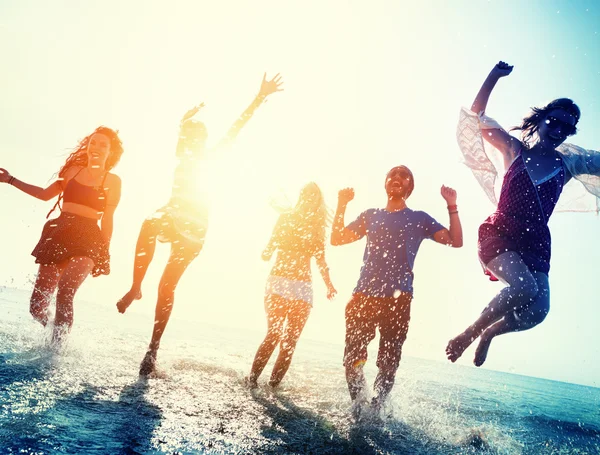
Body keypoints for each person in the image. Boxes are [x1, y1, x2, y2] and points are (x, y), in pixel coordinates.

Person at [116, 73, 284, 376]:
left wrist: (259, 98)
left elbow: (236, 127)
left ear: (203, 142)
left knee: (167, 286)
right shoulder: (182, 154)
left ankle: (152, 350)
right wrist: (184, 120)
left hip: (193, 231)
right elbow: (183, 135)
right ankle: (136, 287)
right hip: (172, 218)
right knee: (148, 223)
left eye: (196, 139)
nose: (190, 143)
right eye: (188, 139)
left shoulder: (210, 157)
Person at [447, 61, 600, 367]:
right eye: (553, 122)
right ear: (541, 119)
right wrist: (493, 77)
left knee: (538, 310)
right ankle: (468, 334)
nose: (558, 131)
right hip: (501, 231)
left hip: (536, 241)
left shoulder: (567, 164)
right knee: (524, 288)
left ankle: (490, 333)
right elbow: (475, 118)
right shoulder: (513, 149)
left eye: (566, 128)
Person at [331, 166, 462, 414]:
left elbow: (455, 241)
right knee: (352, 360)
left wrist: (452, 206)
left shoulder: (419, 219)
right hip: (364, 297)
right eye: (392, 175)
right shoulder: (370, 215)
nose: (396, 179)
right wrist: (341, 204)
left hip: (398, 300)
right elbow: (337, 238)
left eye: (403, 177)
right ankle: (359, 409)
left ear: (409, 187)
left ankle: (376, 410)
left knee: (389, 365)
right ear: (385, 183)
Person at [0, 127, 123, 343]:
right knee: (37, 307)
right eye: (93, 142)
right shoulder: (72, 171)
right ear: (87, 145)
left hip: (89, 237)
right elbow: (44, 195)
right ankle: (54, 333)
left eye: (103, 145)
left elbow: (108, 218)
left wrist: (105, 251)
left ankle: (57, 351)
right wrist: (11, 180)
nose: (96, 148)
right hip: (60, 232)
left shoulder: (112, 181)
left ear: (110, 152)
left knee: (65, 290)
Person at [246, 182, 337, 388]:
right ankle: (251, 381)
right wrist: (268, 250)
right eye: (305, 193)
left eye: (313, 195)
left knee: (289, 342)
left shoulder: (317, 229)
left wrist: (329, 285)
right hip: (278, 282)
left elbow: (321, 261)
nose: (309, 197)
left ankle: (273, 388)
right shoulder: (285, 218)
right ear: (300, 196)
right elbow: (268, 249)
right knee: (274, 334)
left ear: (317, 201)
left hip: (303, 288)